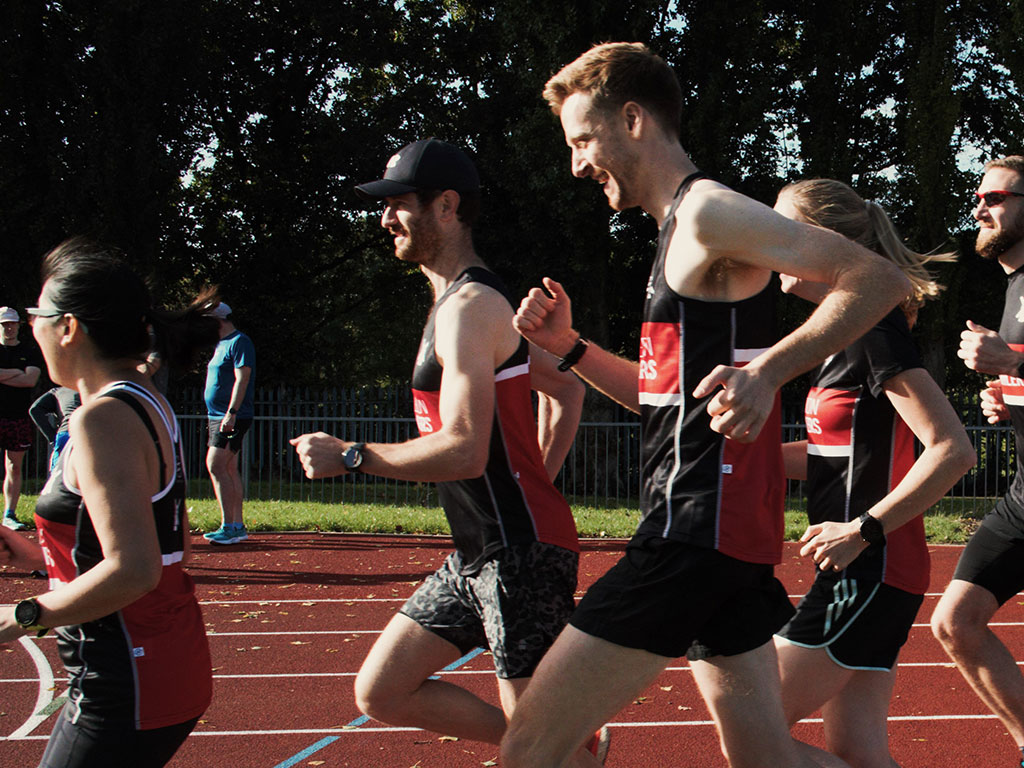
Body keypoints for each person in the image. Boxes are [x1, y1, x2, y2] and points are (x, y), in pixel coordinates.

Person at [500, 42, 912, 768]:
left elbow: (875, 278)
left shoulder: (708, 212)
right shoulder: (680, 234)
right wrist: (570, 349)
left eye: (582, 141)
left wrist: (770, 371)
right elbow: (667, 402)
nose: (576, 164)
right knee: (763, 757)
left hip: (690, 537)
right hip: (724, 544)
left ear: (632, 120)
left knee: (532, 746)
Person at [290, 139, 603, 763]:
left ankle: (561, 749)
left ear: (447, 206)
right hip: (479, 552)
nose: (383, 220)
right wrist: (537, 476)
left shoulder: (472, 307)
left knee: (539, 752)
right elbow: (565, 387)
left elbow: (462, 451)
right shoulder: (456, 305)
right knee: (382, 690)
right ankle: (571, 749)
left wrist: (353, 456)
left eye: (398, 204)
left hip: (518, 558)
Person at [771, 179, 975, 767]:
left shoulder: (873, 330)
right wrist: (727, 456)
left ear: (822, 241)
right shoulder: (842, 336)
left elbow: (951, 449)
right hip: (869, 567)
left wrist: (860, 529)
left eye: (781, 228)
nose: (768, 243)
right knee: (856, 751)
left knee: (753, 731)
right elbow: (832, 455)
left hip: (873, 566)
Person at [0, 238, 218, 767]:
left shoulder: (103, 420)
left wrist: (23, 616)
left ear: (69, 326)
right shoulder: (146, 400)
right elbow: (172, 544)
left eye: (37, 315)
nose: (32, 327)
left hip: (127, 679)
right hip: (155, 667)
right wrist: (28, 552)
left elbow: (135, 569)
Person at [931, 155, 1024, 768]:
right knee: (955, 621)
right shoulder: (1015, 285)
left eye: (995, 196)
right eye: (977, 195)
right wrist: (1008, 399)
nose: (979, 205)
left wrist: (1015, 366)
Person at [202, 301, 255, 545]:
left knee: (215, 465)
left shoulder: (239, 342)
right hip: (217, 415)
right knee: (229, 468)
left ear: (218, 320)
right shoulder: (220, 344)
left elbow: (242, 378)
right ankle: (237, 526)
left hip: (230, 415)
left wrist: (231, 413)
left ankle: (228, 526)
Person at [0, 306, 43, 530]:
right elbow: (23, 376)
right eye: (4, 324)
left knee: (14, 467)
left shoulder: (30, 351)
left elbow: (30, 380)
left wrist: (4, 375)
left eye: (12, 323)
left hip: (18, 416)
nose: (9, 328)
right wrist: (17, 373)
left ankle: (10, 514)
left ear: (18, 325)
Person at [29, 385, 81, 472]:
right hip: (88, 433)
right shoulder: (97, 389)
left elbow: (34, 410)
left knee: (58, 475)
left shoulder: (58, 391)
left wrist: (52, 437)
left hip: (65, 433)